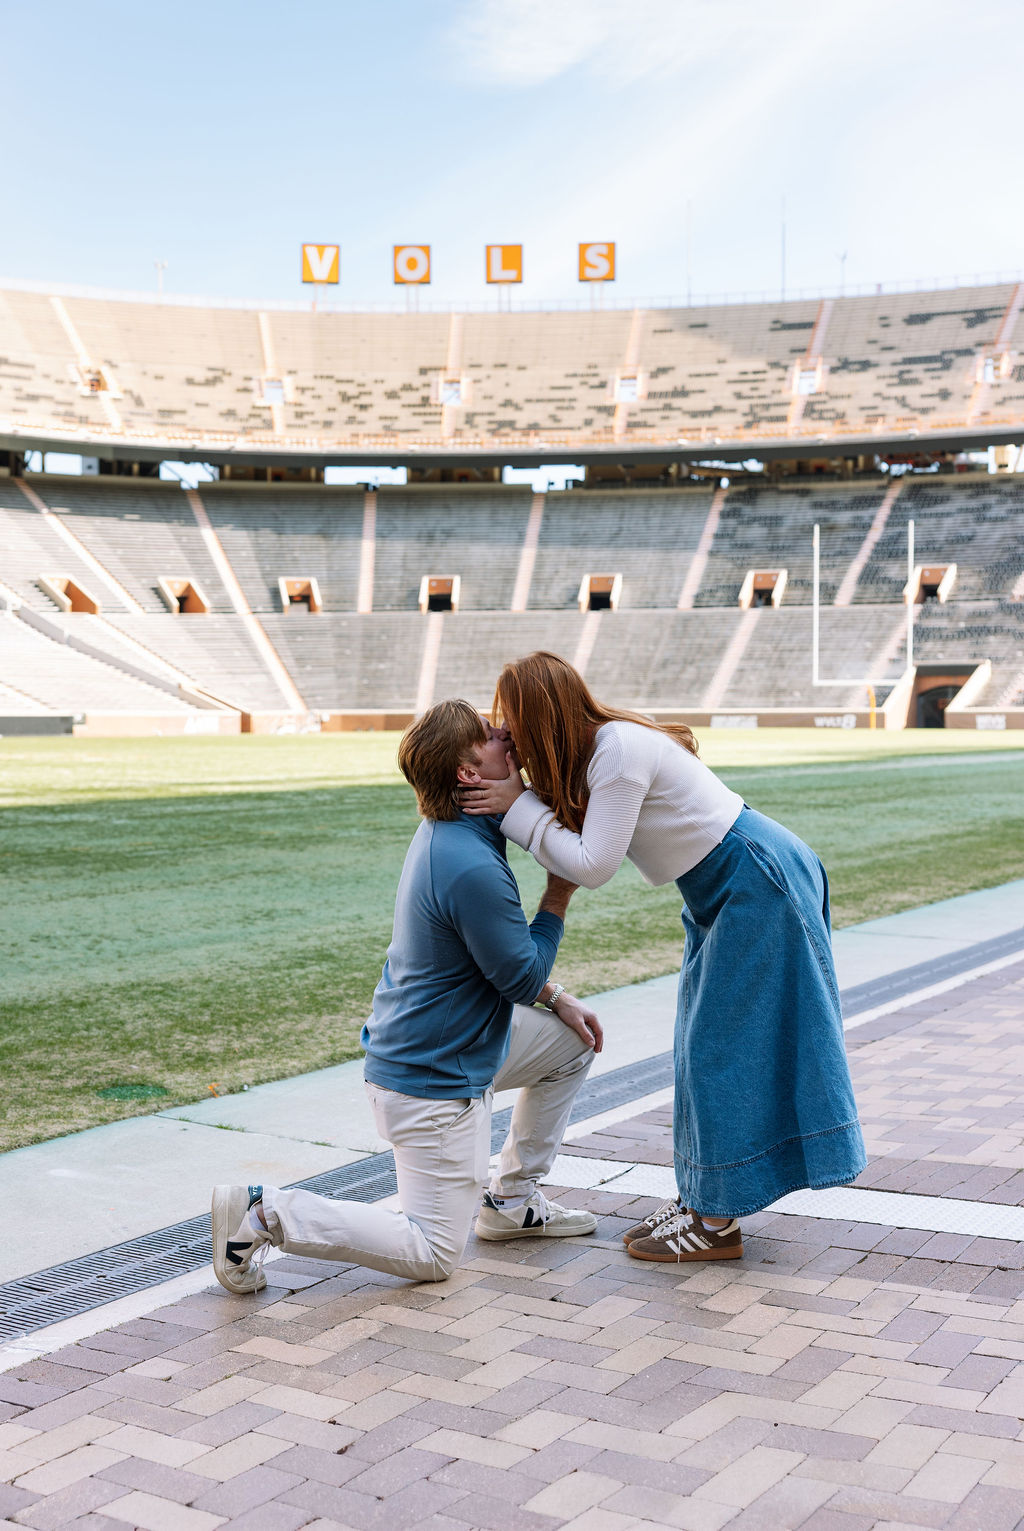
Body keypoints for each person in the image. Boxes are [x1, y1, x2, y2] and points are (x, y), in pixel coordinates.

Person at [461, 652, 865, 1264]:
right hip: (726, 888)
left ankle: (716, 1222)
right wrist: (523, 799)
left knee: (720, 1050)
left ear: (541, 717)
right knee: (701, 1044)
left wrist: (516, 806)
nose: (504, 731)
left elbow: (593, 865)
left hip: (755, 882)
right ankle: (706, 1197)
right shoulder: (600, 749)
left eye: (511, 718)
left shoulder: (618, 750)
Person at [211, 698, 602, 1295]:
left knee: (570, 1042)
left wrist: (558, 998)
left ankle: (513, 1201)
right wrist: (556, 897)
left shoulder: (450, 831)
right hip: (431, 1078)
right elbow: (517, 977)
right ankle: (264, 1212)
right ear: (469, 775)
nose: (505, 735)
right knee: (435, 1251)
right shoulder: (468, 863)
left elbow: (491, 961)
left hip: (444, 1046)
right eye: (490, 736)